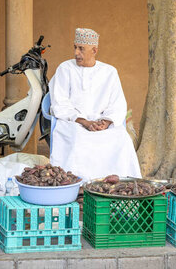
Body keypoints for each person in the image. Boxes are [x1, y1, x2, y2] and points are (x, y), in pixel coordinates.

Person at [48, 28, 142, 181]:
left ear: (94, 50)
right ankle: (78, 186)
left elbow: (117, 104)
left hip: (101, 123)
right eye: (75, 47)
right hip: (73, 122)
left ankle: (121, 185)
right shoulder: (65, 69)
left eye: (81, 49)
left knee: (121, 138)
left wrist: (105, 122)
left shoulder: (109, 72)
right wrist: (84, 122)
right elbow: (60, 104)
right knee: (78, 139)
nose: (76, 53)